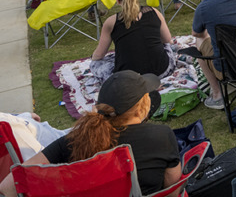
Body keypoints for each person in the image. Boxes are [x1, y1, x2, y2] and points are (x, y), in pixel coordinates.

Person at [0, 71, 181, 196]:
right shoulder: (162, 136)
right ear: (142, 108)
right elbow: (172, 190)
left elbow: (8, 187)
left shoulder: (73, 141)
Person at [91, 0, 175, 81]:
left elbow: (99, 54)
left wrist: (93, 58)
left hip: (128, 80)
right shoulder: (154, 12)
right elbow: (167, 39)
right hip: (162, 71)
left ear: (117, 0)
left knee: (96, 64)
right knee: (167, 46)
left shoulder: (111, 22)